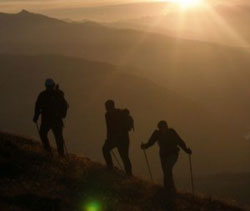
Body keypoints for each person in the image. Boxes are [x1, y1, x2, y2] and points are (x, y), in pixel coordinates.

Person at [141, 120, 192, 192]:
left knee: (167, 169)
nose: (163, 129)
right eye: (162, 127)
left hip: (172, 154)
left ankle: (169, 188)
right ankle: (169, 188)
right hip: (164, 155)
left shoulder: (170, 132)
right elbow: (151, 142)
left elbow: (179, 141)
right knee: (166, 171)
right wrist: (145, 146)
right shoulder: (158, 133)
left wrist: (186, 150)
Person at [33, 79, 68, 157]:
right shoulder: (57, 95)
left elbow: (38, 106)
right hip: (55, 120)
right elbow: (38, 106)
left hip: (49, 120)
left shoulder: (43, 95)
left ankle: (50, 152)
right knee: (57, 137)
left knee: (49, 135)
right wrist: (36, 116)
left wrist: (36, 116)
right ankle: (56, 153)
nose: (49, 88)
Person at [102, 100, 133, 176]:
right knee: (125, 156)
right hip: (124, 138)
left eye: (106, 106)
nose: (105, 108)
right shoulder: (120, 113)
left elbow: (109, 128)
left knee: (105, 149)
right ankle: (129, 174)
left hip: (116, 139)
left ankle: (110, 167)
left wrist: (108, 138)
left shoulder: (108, 115)